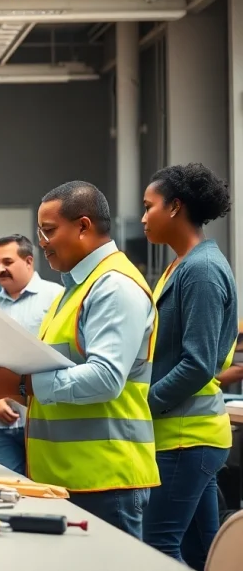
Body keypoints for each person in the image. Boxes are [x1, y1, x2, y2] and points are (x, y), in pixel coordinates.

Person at [0, 180, 159, 539]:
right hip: (64, 478)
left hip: (104, 478)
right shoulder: (73, 291)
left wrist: (21, 384)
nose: (41, 241)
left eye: (49, 230)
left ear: (83, 226)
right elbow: (58, 378)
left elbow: (105, 378)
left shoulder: (114, 286)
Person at [139, 163, 237, 570]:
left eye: (150, 206)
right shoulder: (181, 265)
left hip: (186, 437)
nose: (143, 217)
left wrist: (144, 404)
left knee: (157, 545)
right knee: (205, 553)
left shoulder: (201, 271)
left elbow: (198, 364)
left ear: (175, 206)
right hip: (184, 436)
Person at [0, 234, 63, 476]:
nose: (0, 269)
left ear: (29, 261)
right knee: (11, 489)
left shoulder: (56, 297)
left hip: (45, 416)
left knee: (47, 488)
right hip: (0, 422)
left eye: (7, 262)